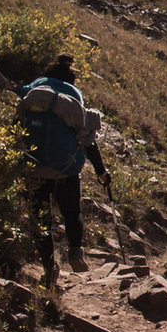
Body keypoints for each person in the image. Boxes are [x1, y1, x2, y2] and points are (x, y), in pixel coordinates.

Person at [19, 53, 114, 286]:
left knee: (42, 219)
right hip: (66, 169)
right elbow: (88, 140)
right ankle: (75, 251)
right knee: (72, 211)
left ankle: (49, 265)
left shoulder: (33, 92)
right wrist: (102, 172)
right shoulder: (72, 96)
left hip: (35, 167)